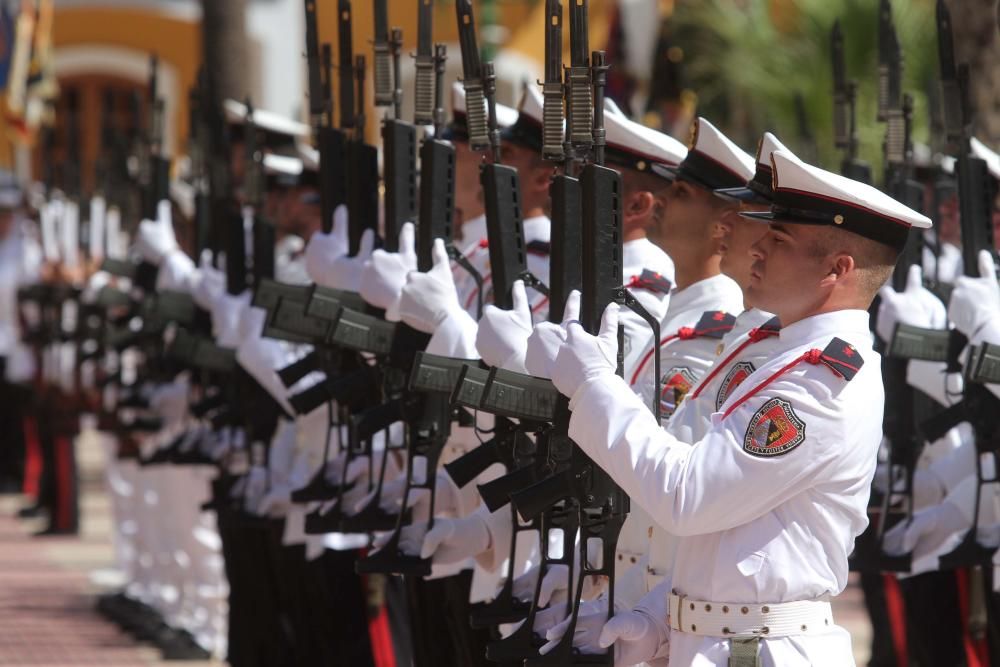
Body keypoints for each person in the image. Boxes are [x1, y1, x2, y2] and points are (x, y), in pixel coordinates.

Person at [547, 150, 930, 665]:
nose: (757, 250)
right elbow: (739, 540)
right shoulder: (783, 356)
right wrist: (656, 617)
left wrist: (593, 385)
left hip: (760, 650)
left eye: (779, 241)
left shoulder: (820, 385)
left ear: (838, 269)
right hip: (726, 642)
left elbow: (689, 495)